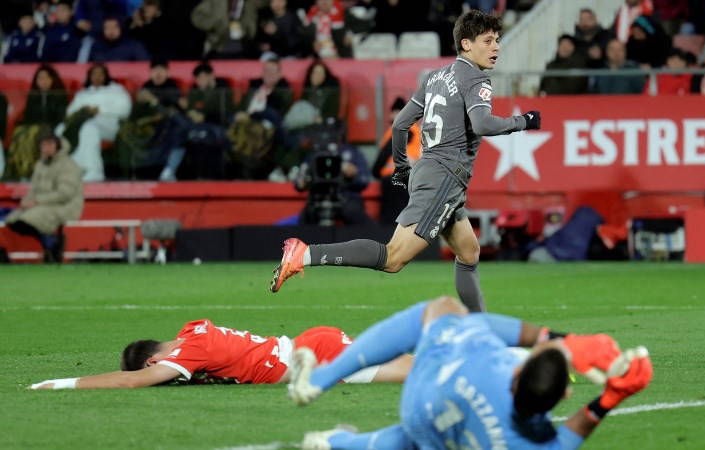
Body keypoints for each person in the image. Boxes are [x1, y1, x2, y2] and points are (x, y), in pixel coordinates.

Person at [270, 11, 541, 314]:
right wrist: (523, 121)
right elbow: (482, 124)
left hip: (428, 170)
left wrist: (402, 169)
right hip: (445, 178)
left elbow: (400, 124)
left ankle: (478, 325)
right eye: (488, 41)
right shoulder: (477, 79)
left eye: (497, 41)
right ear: (466, 44)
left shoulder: (434, 77)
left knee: (469, 252)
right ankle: (305, 254)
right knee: (393, 258)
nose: (496, 47)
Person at [287, 296, 653, 449]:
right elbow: (565, 441)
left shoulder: (493, 362)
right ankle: (335, 443)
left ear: (517, 372)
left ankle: (322, 380)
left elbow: (464, 318)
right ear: (565, 395)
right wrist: (610, 399)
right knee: (423, 437)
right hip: (455, 431)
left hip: (424, 397)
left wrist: (558, 338)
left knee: (442, 308)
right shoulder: (531, 442)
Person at [29, 318, 412, 389]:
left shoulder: (188, 353)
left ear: (153, 361)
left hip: (314, 358)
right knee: (406, 363)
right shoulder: (192, 329)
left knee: (413, 371)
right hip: (308, 345)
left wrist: (63, 383)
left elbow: (131, 382)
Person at [4, 134, 84, 263]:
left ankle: (53, 244)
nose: (46, 148)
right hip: (42, 205)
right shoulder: (40, 165)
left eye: (50, 144)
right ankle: (50, 244)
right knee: (13, 220)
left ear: (58, 146)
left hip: (66, 206)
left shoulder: (68, 165)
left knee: (28, 219)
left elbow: (65, 194)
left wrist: (36, 201)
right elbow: (33, 189)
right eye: (44, 145)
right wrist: (26, 201)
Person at [59, 63, 132, 182]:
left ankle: (94, 171)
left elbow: (125, 109)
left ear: (106, 76)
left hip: (111, 125)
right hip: (84, 123)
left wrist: (100, 110)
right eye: (94, 74)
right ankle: (72, 170)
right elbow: (70, 113)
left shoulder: (116, 89)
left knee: (89, 128)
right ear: (89, 76)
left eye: (100, 74)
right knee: (60, 129)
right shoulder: (83, 93)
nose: (97, 77)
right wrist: (84, 111)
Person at [6, 65, 69, 180]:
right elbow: (28, 117)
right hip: (33, 127)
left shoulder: (60, 95)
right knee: (19, 132)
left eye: (46, 78)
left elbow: (60, 117)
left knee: (35, 134)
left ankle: (31, 171)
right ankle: (19, 171)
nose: (43, 81)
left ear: (52, 79)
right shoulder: (33, 96)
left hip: (52, 127)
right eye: (40, 78)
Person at [371, 97, 422, 225]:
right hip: (406, 178)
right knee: (402, 217)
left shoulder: (403, 127)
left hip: (396, 179)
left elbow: (385, 153)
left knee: (391, 218)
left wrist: (375, 171)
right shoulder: (414, 129)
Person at [191, 0, 262, 59]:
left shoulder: (248, 2)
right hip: (218, 46)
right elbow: (197, 16)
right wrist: (214, 24)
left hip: (244, 47)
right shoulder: (215, 1)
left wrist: (249, 30)